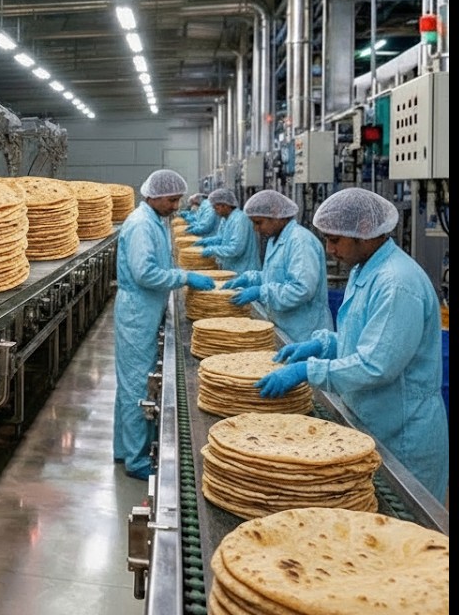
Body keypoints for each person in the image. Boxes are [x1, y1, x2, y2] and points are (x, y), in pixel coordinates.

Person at [256, 188, 448, 500]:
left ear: (364, 234)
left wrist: (310, 370)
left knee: (404, 534)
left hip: (403, 436)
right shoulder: (365, 270)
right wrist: (323, 344)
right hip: (373, 419)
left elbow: (376, 365)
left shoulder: (396, 283)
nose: (329, 249)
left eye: (334, 240)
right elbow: (362, 339)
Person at [114, 169, 217, 480]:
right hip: (137, 313)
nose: (176, 206)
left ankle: (124, 449)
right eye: (172, 200)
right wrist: (183, 277)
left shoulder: (154, 220)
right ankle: (136, 460)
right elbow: (145, 273)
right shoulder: (142, 224)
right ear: (155, 195)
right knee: (136, 385)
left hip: (146, 308)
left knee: (131, 383)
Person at [221, 190, 332, 343]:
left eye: (259, 222)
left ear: (276, 215)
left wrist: (261, 292)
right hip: (284, 326)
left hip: (304, 333)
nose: (256, 229)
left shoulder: (300, 241)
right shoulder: (274, 240)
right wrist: (250, 278)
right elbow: (273, 275)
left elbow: (301, 290)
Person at [193, 188, 260, 274]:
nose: (215, 212)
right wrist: (210, 241)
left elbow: (235, 249)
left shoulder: (240, 220)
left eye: (216, 208)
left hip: (244, 269)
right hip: (232, 267)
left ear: (225, 205)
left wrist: (213, 250)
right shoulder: (225, 219)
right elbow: (222, 238)